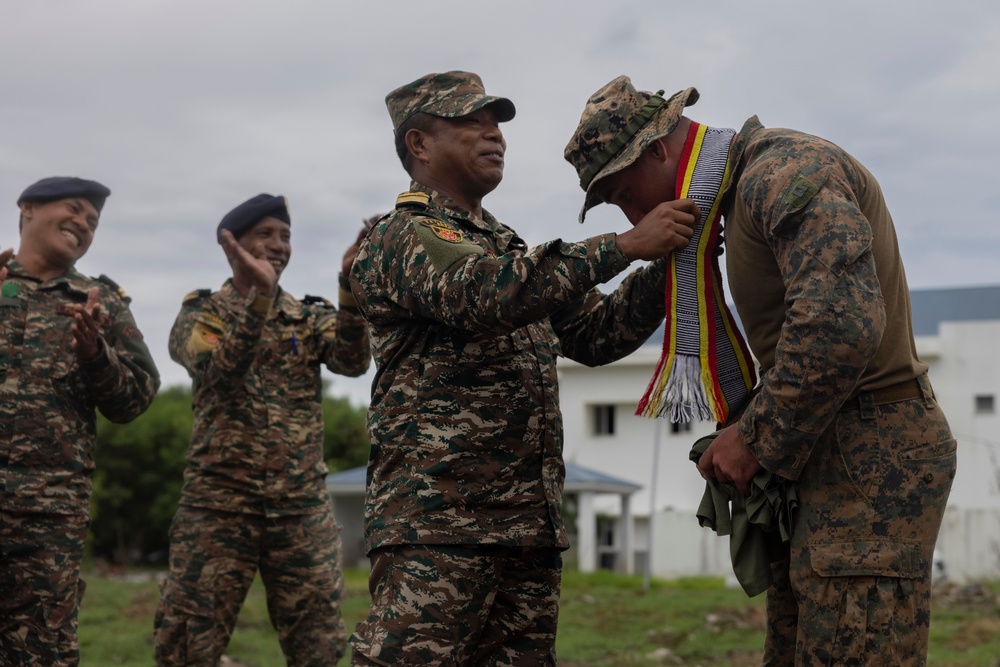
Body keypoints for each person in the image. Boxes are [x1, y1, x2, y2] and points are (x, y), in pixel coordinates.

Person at [565, 76, 956, 665]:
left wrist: (752, 440)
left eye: (623, 192)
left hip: (871, 455)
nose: (633, 211)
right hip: (833, 452)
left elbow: (839, 324)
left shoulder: (780, 172)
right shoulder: (739, 195)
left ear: (659, 150)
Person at [348, 70, 700, 666]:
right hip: (441, 527)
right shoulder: (403, 234)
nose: (494, 135)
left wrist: (668, 266)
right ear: (418, 144)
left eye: (497, 123)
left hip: (526, 529)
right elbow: (481, 294)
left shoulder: (505, 246)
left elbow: (593, 335)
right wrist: (624, 246)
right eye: (470, 122)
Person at [152, 195, 371, 666]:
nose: (278, 245)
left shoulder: (306, 316)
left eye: (285, 235)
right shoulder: (202, 315)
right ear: (234, 246)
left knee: (319, 644)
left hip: (300, 508)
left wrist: (349, 288)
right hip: (218, 505)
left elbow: (353, 362)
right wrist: (258, 303)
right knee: (188, 643)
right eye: (265, 235)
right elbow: (216, 373)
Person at [0, 176, 160, 666]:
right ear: (28, 207)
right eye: (73, 209)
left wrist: (95, 354)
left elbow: (134, 399)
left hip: (47, 517)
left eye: (92, 221)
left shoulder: (101, 302)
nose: (83, 224)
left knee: (41, 652)